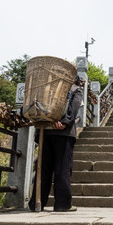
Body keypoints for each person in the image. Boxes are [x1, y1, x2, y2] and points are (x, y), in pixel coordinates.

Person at [29, 75, 83, 212]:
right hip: (63, 134)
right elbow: (74, 107)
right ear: (75, 80)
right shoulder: (76, 89)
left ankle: (36, 202)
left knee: (43, 169)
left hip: (45, 131)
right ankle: (62, 204)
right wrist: (64, 122)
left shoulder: (48, 88)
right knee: (63, 169)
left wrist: (48, 122)